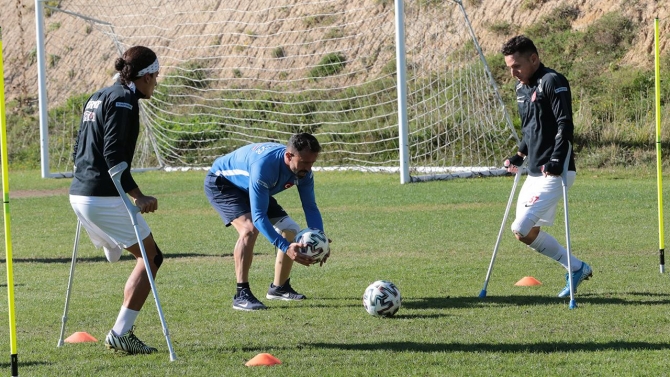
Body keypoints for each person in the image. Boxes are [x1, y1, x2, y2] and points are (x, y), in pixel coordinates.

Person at [69, 46, 163, 354]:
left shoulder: (99, 95)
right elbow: (113, 154)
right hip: (101, 196)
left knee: (136, 253)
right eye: (155, 76)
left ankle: (109, 244)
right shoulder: (124, 101)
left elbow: (78, 147)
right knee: (151, 258)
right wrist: (138, 196)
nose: (156, 83)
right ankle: (121, 333)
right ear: (145, 76)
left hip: (79, 193)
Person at [501, 35, 592, 298]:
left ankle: (576, 268)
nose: (512, 72)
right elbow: (531, 130)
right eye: (509, 67)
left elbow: (565, 124)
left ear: (534, 58)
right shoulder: (521, 89)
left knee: (520, 226)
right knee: (524, 233)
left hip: (557, 172)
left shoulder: (553, 81)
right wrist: (519, 154)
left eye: (516, 65)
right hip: (533, 173)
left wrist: (556, 158)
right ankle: (577, 268)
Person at [204, 133, 329, 311]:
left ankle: (279, 288)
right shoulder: (264, 167)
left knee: (290, 229)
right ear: (289, 156)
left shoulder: (304, 172)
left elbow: (310, 206)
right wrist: (286, 248)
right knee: (249, 229)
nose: (309, 168)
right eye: (304, 162)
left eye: (312, 163)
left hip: (250, 186)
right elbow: (259, 217)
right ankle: (241, 294)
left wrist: (320, 238)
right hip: (223, 184)